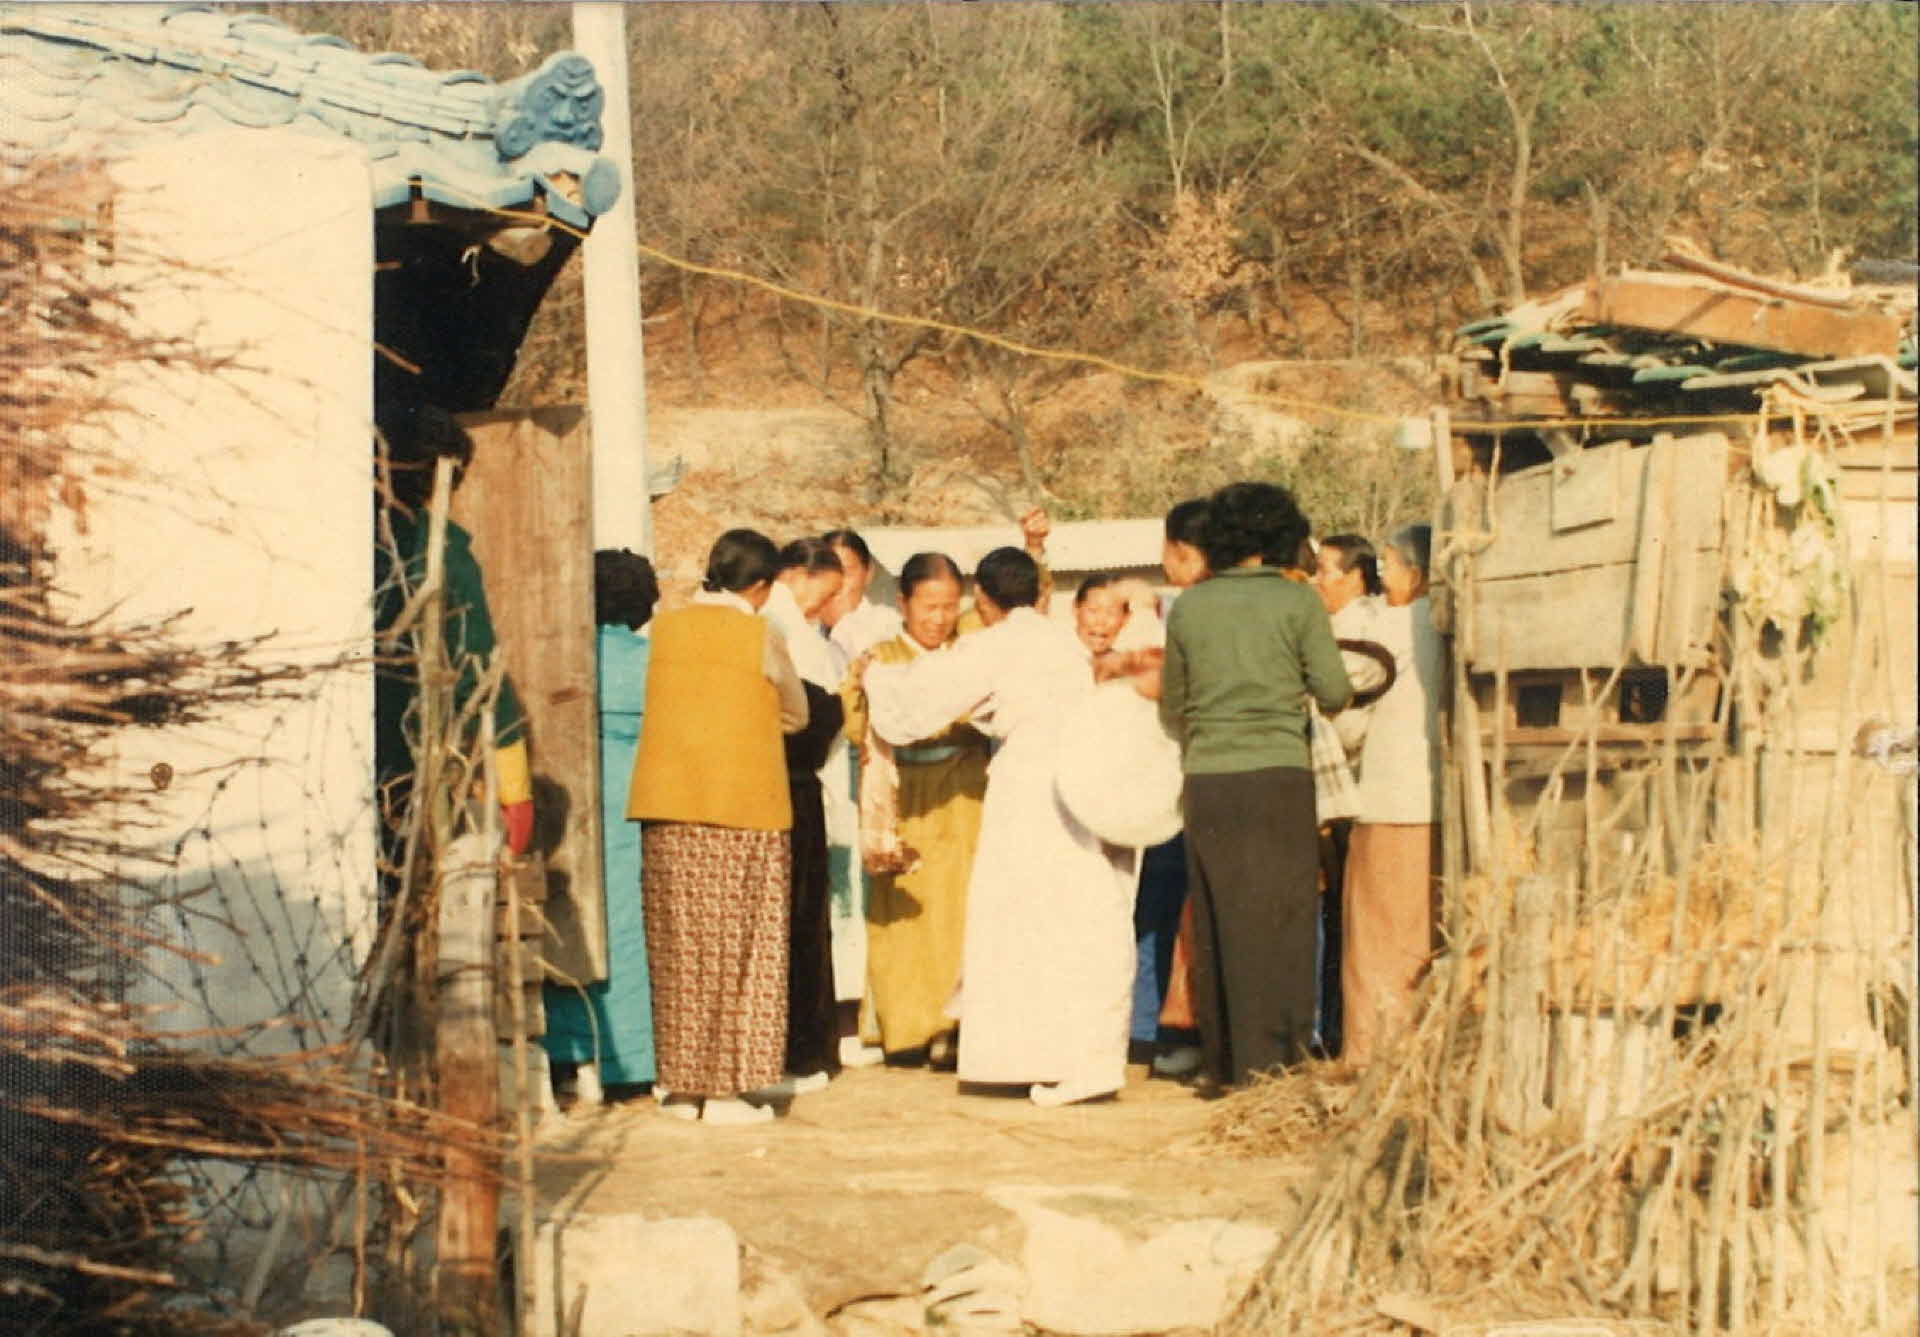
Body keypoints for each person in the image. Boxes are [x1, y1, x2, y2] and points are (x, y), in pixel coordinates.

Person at [861, 548, 1135, 1106]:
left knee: (1021, 920)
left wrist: (875, 675)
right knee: (1081, 918)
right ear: (1038, 594)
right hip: (1084, 782)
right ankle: (1087, 1059)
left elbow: (917, 702)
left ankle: (1035, 1057)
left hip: (1029, 787)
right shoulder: (1065, 641)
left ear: (981, 600)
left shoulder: (993, 643)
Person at [1159, 482, 1352, 1088]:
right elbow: (1335, 692)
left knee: (1218, 921)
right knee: (1282, 922)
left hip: (1210, 781)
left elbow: (1172, 708)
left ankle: (1224, 1067)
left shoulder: (1190, 606)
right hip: (1278, 778)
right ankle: (1276, 1069)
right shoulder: (1298, 604)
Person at [627, 529, 809, 1126]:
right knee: (743, 950)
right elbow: (795, 712)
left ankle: (682, 1088)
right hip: (743, 808)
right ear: (759, 586)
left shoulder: (661, 629)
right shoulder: (762, 633)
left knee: (679, 950)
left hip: (669, 809)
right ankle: (728, 1091)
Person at [841, 552, 986, 1067]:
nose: (939, 618)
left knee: (960, 915)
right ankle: (905, 1029)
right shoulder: (881, 655)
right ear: (903, 603)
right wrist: (857, 686)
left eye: (949, 606)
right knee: (902, 920)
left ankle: (955, 1028)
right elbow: (856, 728)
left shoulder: (970, 651)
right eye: (928, 606)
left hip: (964, 797)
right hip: (902, 799)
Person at [373, 403, 533, 870]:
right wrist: (514, 788)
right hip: (405, 761)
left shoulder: (338, 535)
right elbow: (475, 661)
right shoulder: (440, 549)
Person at [542, 549, 661, 1095]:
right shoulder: (650, 661)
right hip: (630, 801)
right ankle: (628, 1062)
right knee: (629, 925)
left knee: (566, 917)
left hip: (567, 799)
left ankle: (565, 1052)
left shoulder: (560, 657)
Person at [1342, 524, 1443, 1069]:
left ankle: (1374, 1054)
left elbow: (1345, 687)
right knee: (1421, 933)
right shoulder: (1447, 624)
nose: (1382, 580)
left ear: (1417, 573)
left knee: (1380, 939)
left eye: (1389, 568)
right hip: (1434, 800)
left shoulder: (1398, 623)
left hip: (1391, 798)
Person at [765, 539, 849, 1091]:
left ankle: (806, 1045)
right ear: (796, 575)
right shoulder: (776, 626)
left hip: (800, 779)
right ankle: (797, 1049)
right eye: (822, 595)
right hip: (786, 778)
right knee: (793, 919)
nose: (824, 609)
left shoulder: (794, 626)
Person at [1309, 534, 1395, 1059]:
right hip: (1346, 784)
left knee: (1340, 916)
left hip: (1350, 787)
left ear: (1355, 576)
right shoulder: (1338, 626)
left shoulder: (1357, 628)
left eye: (1325, 571)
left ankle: (1338, 1032)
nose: (1319, 581)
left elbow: (1343, 712)